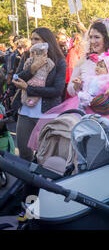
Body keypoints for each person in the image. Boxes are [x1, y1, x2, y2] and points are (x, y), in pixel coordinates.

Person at [27, 19, 109, 152]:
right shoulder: (83, 62)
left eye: (97, 37)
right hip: (87, 113)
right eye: (91, 37)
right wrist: (76, 85)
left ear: (105, 39)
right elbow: (70, 90)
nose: (93, 41)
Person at [11, 28, 66, 161]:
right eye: (32, 39)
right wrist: (32, 69)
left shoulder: (59, 61)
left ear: (47, 41)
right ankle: (26, 181)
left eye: (37, 39)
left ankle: (40, 181)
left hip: (48, 112)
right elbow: (16, 78)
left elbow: (57, 90)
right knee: (24, 153)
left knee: (45, 155)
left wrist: (29, 88)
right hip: (25, 112)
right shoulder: (26, 56)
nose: (33, 42)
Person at [77, 47, 109, 112]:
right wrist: (80, 84)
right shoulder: (92, 76)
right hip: (88, 101)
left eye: (101, 66)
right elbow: (86, 87)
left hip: (100, 103)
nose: (97, 68)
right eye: (97, 65)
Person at [20, 43, 55, 108]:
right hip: (41, 82)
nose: (33, 41)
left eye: (36, 39)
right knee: (31, 94)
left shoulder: (30, 60)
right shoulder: (48, 61)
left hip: (31, 82)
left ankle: (29, 101)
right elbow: (51, 67)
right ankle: (31, 101)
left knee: (26, 93)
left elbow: (25, 68)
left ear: (33, 53)